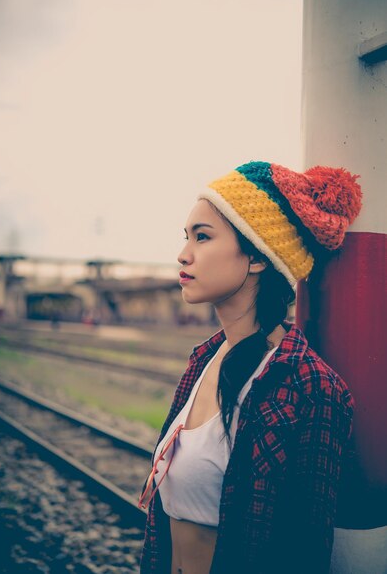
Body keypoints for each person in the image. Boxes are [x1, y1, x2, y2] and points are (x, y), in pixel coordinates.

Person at [138, 161, 362, 574]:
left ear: (258, 257)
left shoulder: (308, 385)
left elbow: (305, 550)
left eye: (202, 237)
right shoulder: (204, 360)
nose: (183, 254)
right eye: (186, 237)